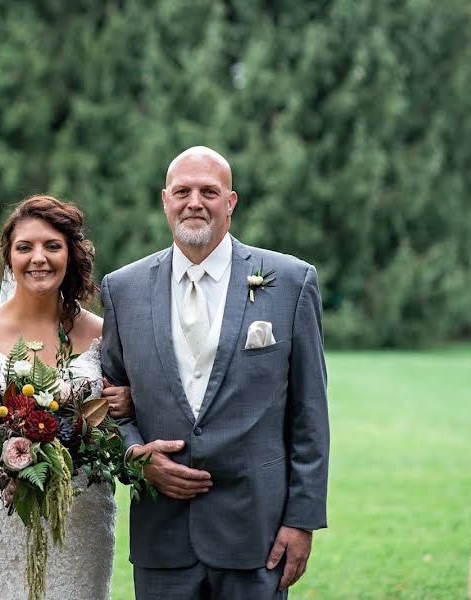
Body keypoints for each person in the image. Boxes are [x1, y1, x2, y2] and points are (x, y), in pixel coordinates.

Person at [100, 146, 330, 599]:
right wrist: (136, 456)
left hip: (256, 533)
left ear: (231, 202)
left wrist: (301, 521)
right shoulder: (122, 289)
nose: (194, 202)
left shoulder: (290, 281)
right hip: (162, 536)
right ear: (165, 199)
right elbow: (109, 404)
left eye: (209, 191)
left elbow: (310, 413)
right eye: (182, 191)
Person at [0, 195, 132, 600]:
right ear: (8, 257)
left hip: (79, 521)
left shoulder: (106, 335)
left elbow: (124, 421)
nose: (39, 258)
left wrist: (123, 409)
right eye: (25, 247)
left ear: (71, 254)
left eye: (52, 246)